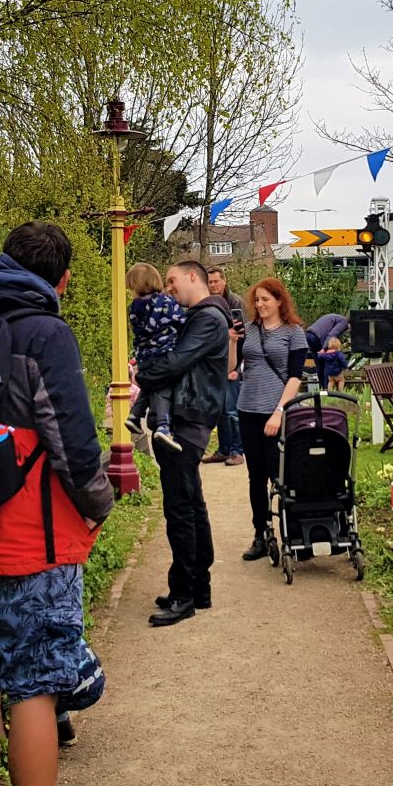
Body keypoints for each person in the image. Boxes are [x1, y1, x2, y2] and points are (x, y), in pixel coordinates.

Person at [0, 222, 116, 786]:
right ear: (61, 279)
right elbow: (73, 443)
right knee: (33, 688)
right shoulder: (44, 331)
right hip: (32, 546)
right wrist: (99, 506)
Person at [135, 259, 231, 626]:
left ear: (194, 277)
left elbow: (175, 362)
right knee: (191, 503)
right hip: (189, 416)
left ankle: (184, 595)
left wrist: (143, 372)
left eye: (172, 280)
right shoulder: (203, 317)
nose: (168, 288)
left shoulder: (207, 318)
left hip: (187, 419)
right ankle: (197, 586)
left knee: (180, 509)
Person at [235, 278, 308, 563]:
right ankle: (261, 532)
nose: (260, 304)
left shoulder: (293, 332)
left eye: (265, 299)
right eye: (256, 300)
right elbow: (233, 367)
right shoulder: (249, 331)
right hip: (248, 408)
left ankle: (293, 532)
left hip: (276, 411)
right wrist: (232, 342)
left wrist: (279, 411)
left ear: (279, 301)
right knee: (256, 478)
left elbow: (295, 376)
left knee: (282, 475)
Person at [126, 263, 186, 451]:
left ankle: (134, 415)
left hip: (144, 356)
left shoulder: (135, 307)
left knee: (148, 386)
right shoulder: (166, 302)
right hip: (162, 353)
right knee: (162, 389)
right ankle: (163, 426)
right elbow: (181, 320)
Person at [203, 267, 248, 467]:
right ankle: (224, 449)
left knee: (232, 410)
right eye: (210, 282)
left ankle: (237, 450)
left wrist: (237, 368)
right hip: (215, 364)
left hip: (233, 362)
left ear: (224, 281)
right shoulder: (206, 304)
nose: (212, 285)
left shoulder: (235, 303)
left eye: (215, 281)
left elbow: (244, 336)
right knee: (220, 410)